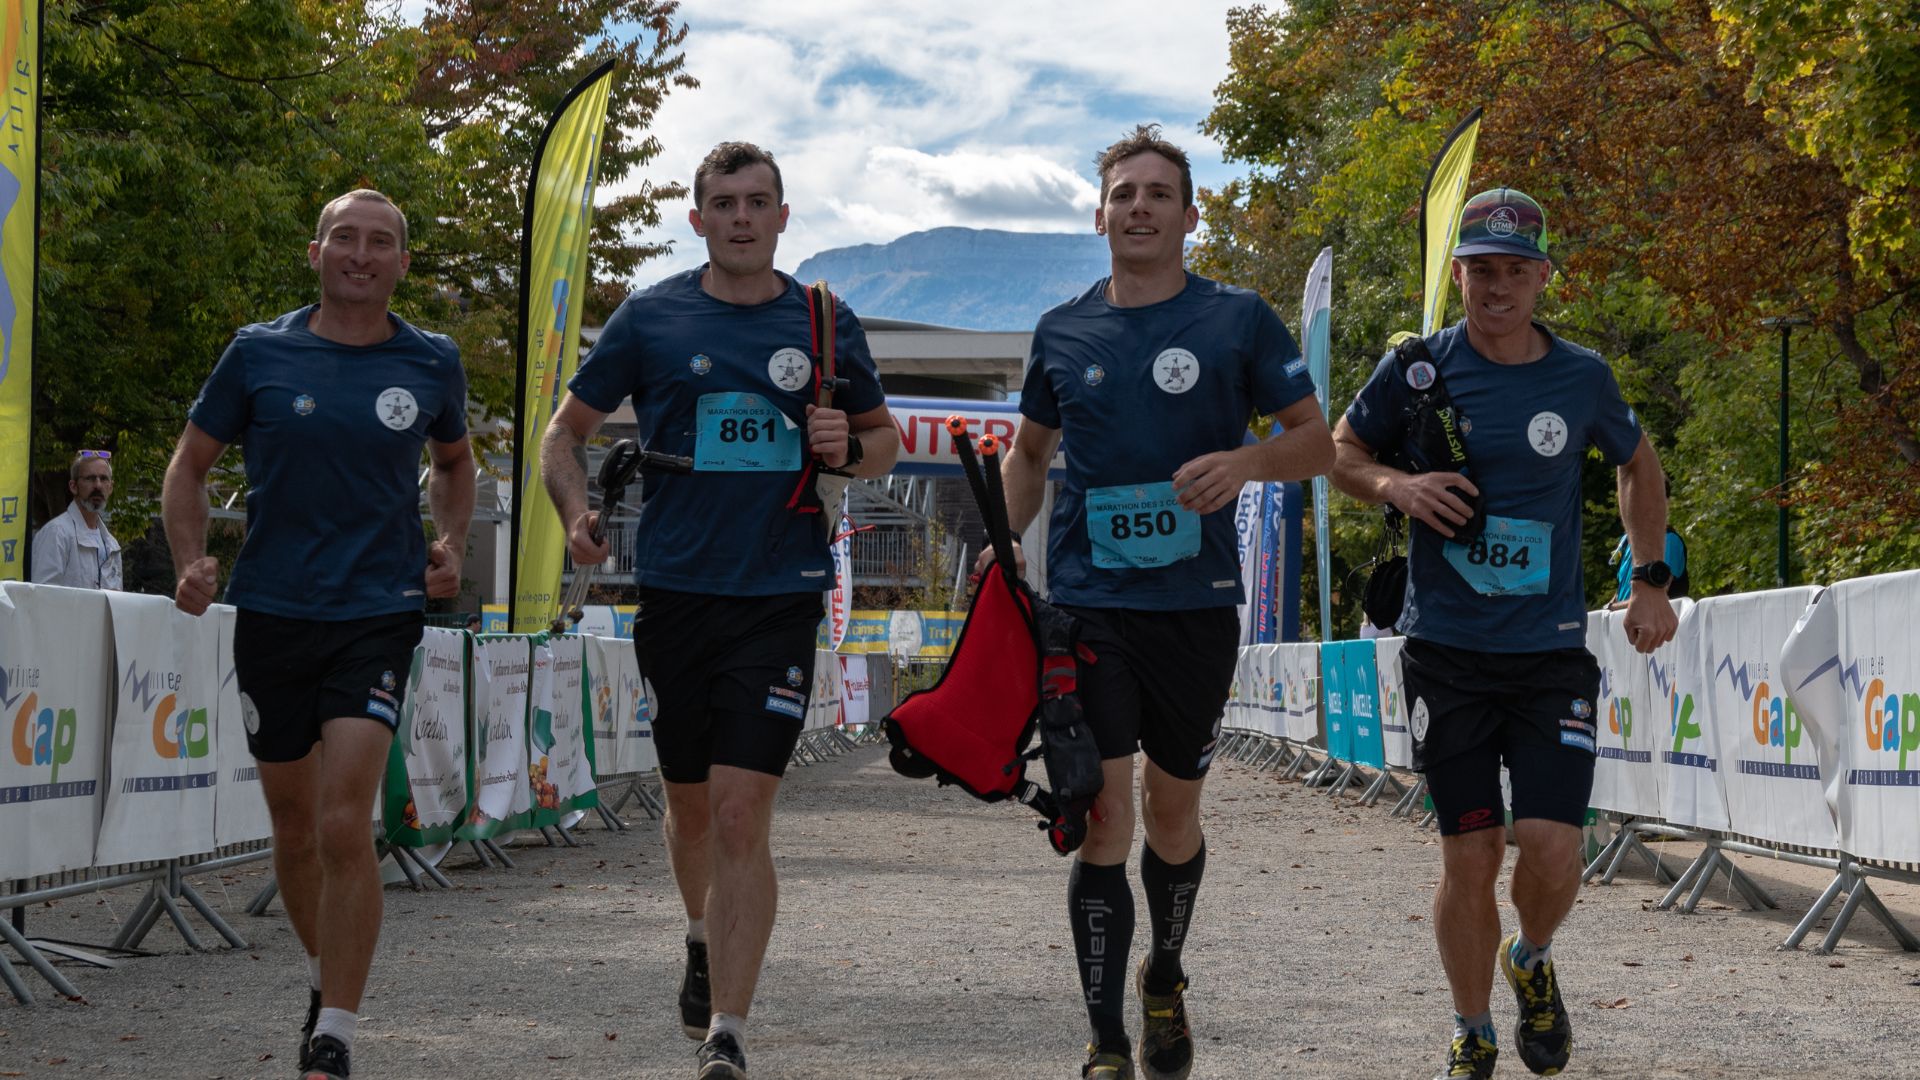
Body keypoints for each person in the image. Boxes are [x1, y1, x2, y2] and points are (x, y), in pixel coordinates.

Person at [539, 141, 898, 1080]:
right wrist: (577, 511)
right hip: (678, 595)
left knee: (743, 816)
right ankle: (699, 933)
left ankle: (727, 1033)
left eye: (759, 202)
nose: (742, 216)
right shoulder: (653, 317)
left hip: (778, 596)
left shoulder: (824, 322)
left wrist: (842, 447)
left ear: (784, 217)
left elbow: (883, 445)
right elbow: (562, 435)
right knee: (692, 807)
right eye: (724, 203)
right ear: (696, 218)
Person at [984, 125, 1332, 1080]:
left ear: (1188, 213)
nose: (1139, 207)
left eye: (1158, 193)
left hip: (1195, 606)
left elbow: (1318, 443)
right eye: (1124, 193)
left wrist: (1248, 462)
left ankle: (1164, 976)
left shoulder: (1238, 320)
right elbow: (1029, 458)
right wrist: (1003, 536)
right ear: (1100, 215)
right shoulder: (1063, 329)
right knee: (1101, 814)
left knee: (1173, 816)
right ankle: (1103, 1041)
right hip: (1090, 607)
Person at [1329, 187, 1677, 1080]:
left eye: (1515, 270)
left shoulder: (1581, 375)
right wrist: (1396, 489)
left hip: (1549, 651)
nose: (1498, 286)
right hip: (1446, 651)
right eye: (1482, 269)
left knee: (1557, 845)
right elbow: (1338, 452)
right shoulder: (1418, 369)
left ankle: (1530, 958)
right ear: (1460, 275)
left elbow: (1638, 462)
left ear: (1541, 279)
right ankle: (1472, 1027)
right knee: (1471, 849)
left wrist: (1648, 580)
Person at [161, 189, 474, 1080]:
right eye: (347, 237)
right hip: (273, 610)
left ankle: (334, 1032)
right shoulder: (259, 353)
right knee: (293, 827)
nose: (362, 254)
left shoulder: (430, 361)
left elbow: (456, 462)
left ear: (403, 263)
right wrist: (191, 557)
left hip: (377, 613)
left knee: (344, 821)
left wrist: (447, 542)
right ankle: (321, 970)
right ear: (317, 251)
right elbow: (189, 465)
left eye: (382, 242)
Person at [30, 450, 122, 589]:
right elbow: (44, 598)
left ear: (110, 487)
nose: (97, 485)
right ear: (73, 486)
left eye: (103, 479)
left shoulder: (112, 545)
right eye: (90, 478)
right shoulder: (56, 534)